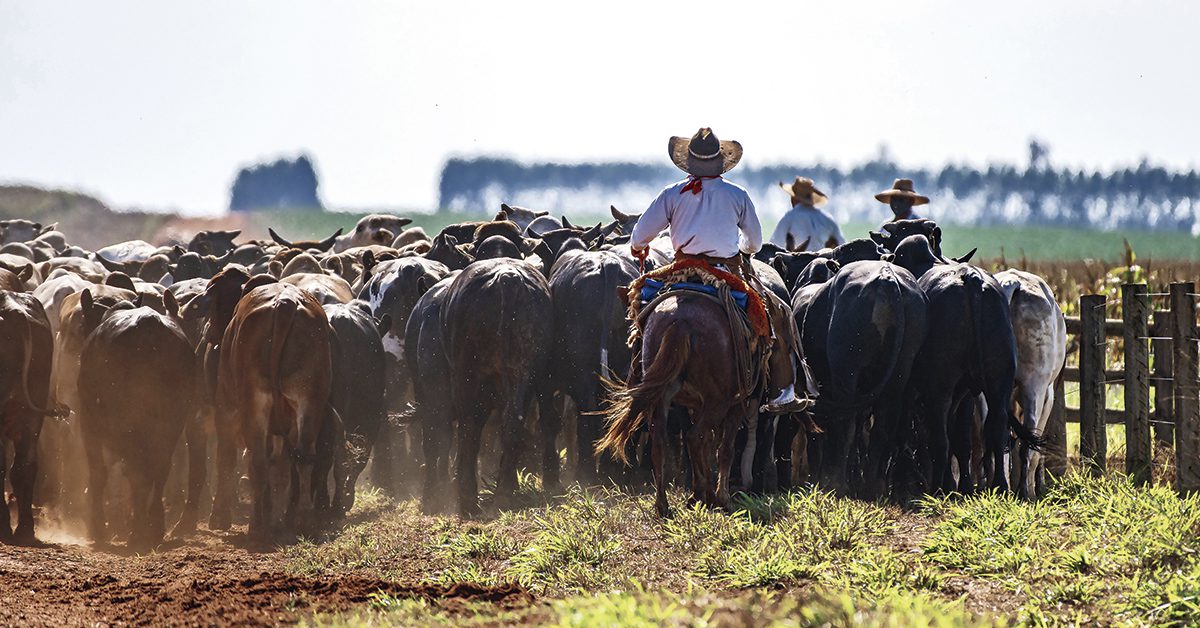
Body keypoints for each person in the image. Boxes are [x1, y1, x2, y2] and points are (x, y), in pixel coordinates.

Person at [629, 127, 803, 412]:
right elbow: (755, 242)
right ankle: (779, 392)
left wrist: (638, 248)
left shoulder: (672, 193)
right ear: (720, 162)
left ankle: (636, 377)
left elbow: (639, 237)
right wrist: (743, 251)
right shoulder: (737, 194)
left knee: (641, 313)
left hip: (679, 270)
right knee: (773, 315)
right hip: (724, 271)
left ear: (690, 162)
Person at [771, 176, 844, 251]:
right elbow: (842, 245)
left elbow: (775, 243)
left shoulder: (790, 216)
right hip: (823, 258)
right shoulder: (827, 218)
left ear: (793, 198)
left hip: (800, 260)